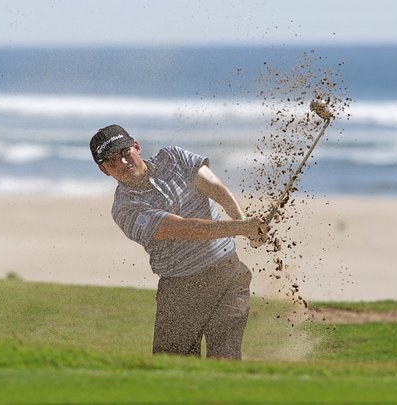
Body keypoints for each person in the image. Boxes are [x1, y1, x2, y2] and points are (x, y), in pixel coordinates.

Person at [89, 124, 268, 359]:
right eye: (112, 162)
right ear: (104, 170)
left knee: (225, 361)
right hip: (180, 291)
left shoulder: (172, 157)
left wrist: (243, 220)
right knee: (172, 368)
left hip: (228, 276)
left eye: (124, 153)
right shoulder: (125, 209)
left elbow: (213, 186)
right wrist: (240, 228)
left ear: (136, 146)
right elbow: (181, 228)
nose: (122, 163)